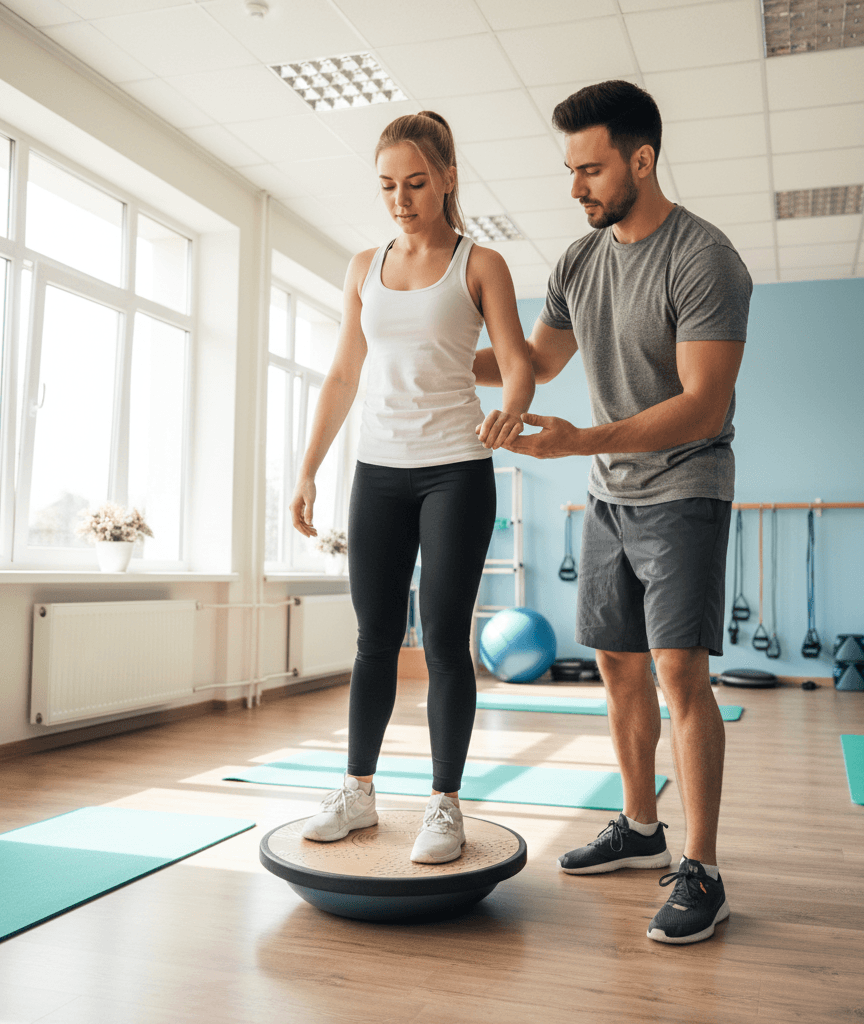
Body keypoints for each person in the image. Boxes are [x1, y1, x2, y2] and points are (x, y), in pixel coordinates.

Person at [473, 81, 751, 943]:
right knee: (619, 668)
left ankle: (700, 865)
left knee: (680, 676)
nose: (576, 188)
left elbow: (705, 403)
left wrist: (582, 439)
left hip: (683, 490)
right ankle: (639, 828)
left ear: (641, 160)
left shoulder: (703, 257)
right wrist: (436, 352)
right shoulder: (578, 261)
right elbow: (536, 362)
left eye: (589, 169)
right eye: (570, 170)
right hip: (607, 498)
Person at [290, 111, 535, 864]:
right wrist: (306, 470)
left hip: (456, 469)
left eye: (416, 182)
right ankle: (358, 793)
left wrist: (512, 409)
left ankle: (444, 804)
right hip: (378, 472)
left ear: (449, 178)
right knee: (372, 641)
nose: (401, 198)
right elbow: (342, 373)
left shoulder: (480, 262)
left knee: (443, 642)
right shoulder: (363, 265)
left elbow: (519, 362)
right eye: (389, 185)